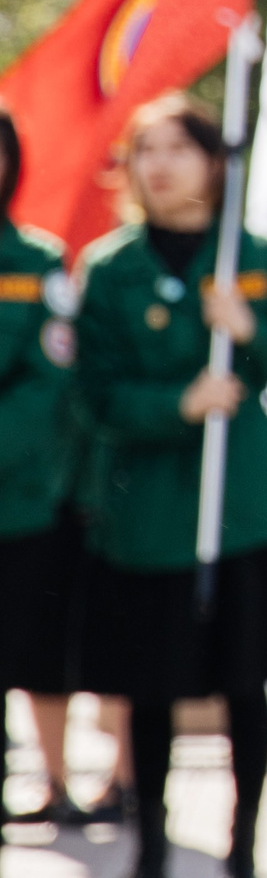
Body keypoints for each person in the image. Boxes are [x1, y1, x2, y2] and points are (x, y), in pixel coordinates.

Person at [79, 91, 267, 878]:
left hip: (242, 511)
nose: (159, 165)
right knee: (150, 686)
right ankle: (151, 844)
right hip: (151, 514)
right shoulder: (111, 269)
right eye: (144, 149)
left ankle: (244, 844)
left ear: (214, 161)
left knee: (244, 682)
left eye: (177, 147)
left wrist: (253, 331)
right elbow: (92, 395)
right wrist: (177, 404)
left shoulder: (251, 259)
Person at [0, 105, 103, 827]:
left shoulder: (36, 264)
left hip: (27, 497)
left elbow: (51, 379)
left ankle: (56, 783)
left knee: (39, 651)